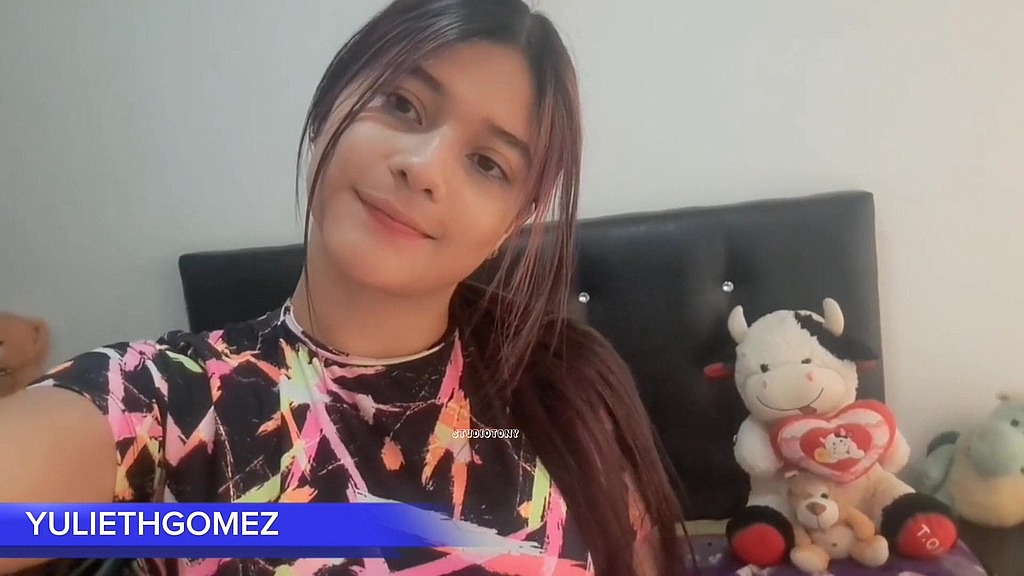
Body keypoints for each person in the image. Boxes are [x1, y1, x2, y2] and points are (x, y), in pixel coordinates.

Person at [0, 1, 688, 574]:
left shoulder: (562, 383)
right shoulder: (168, 398)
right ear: (332, 104)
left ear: (514, 220)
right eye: (402, 104)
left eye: (487, 163)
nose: (424, 168)